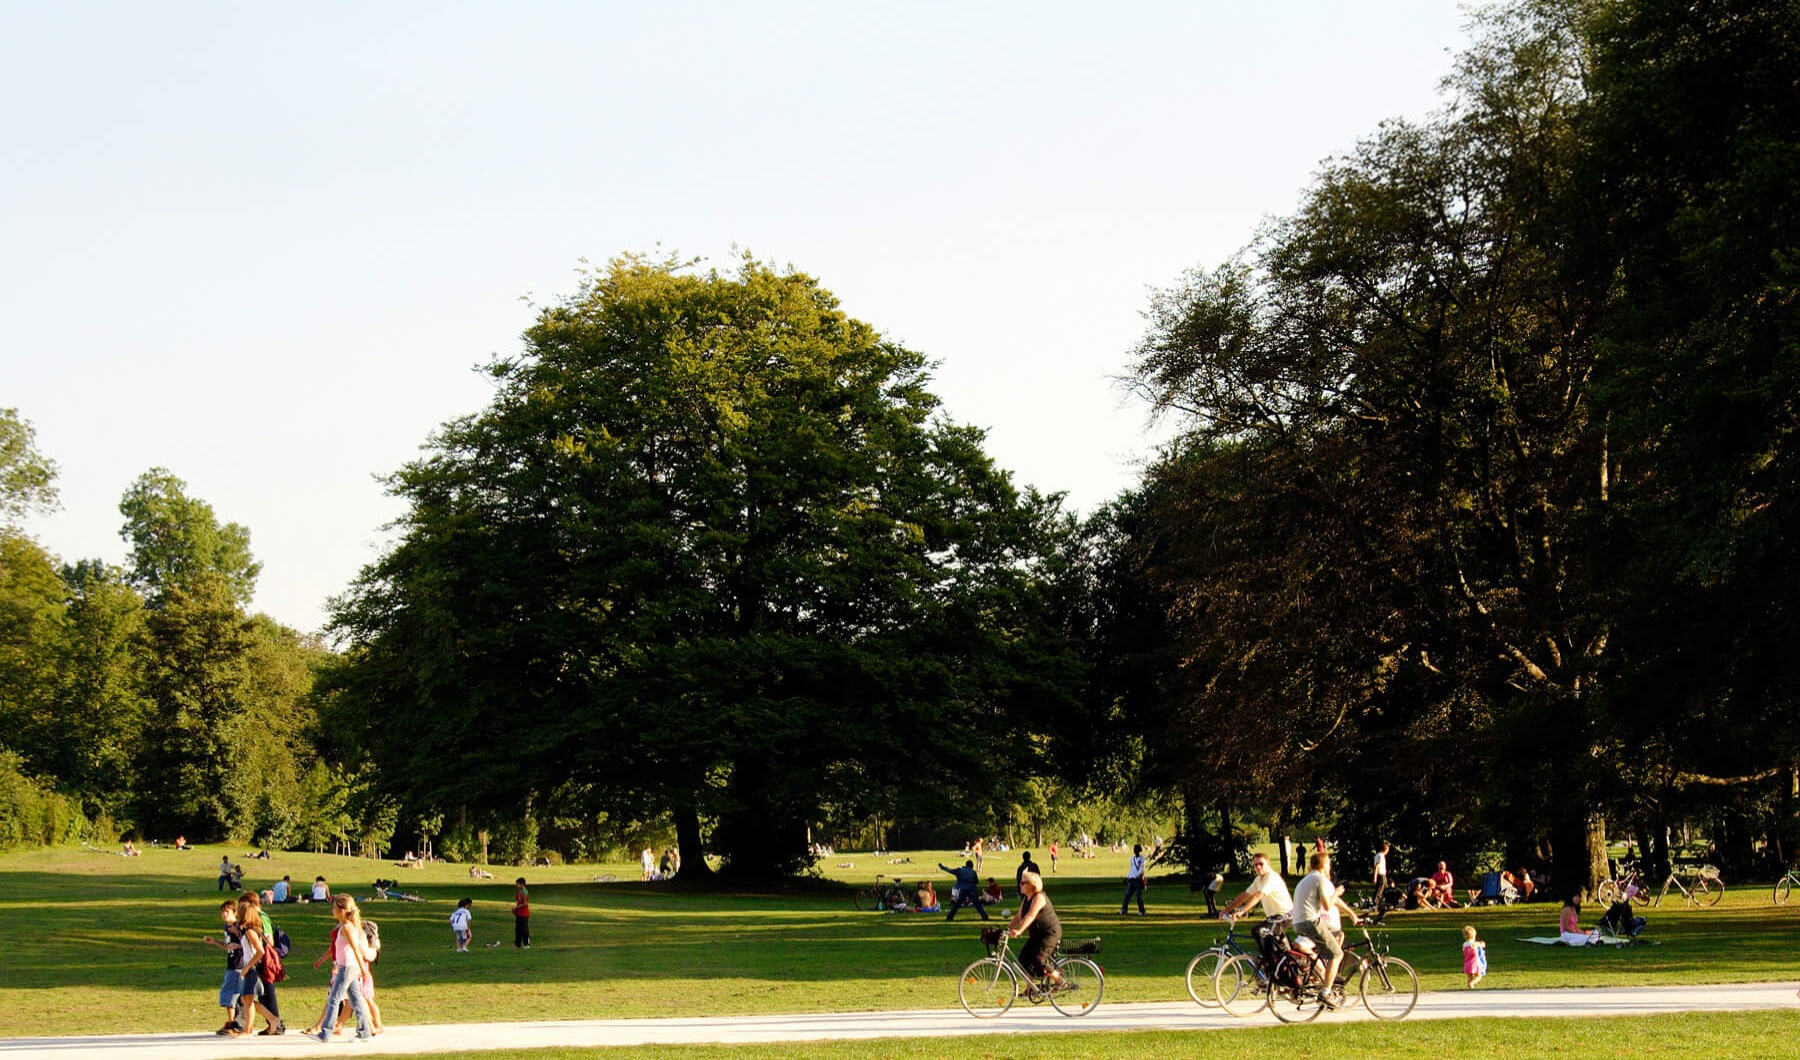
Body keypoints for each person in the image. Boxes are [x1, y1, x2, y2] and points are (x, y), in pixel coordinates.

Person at [1293, 850, 1359, 1007]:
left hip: (1299, 922)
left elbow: (1333, 900)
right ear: (1324, 865)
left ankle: (1325, 969)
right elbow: (1328, 905)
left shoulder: (1307, 879)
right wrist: (1336, 892)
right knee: (1337, 954)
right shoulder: (1320, 879)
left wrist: (1352, 914)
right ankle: (1325, 992)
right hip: (1310, 922)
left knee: (1338, 933)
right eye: (1329, 864)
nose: (1330, 867)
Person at [308, 896, 375, 1041]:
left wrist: (363, 970)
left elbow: (356, 949)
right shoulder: (342, 927)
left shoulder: (347, 928)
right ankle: (364, 1032)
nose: (332, 910)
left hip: (348, 968)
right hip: (347, 967)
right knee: (356, 1000)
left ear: (342, 910)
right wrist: (322, 959)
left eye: (334, 908)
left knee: (334, 999)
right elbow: (334, 948)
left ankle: (325, 1033)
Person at [233, 893, 283, 1035]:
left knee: (247, 999)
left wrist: (247, 967)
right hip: (251, 967)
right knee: (246, 999)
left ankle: (250, 1028)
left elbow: (260, 951)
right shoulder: (251, 930)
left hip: (252, 968)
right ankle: (272, 1019)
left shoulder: (250, 931)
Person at [1008, 870, 1064, 992]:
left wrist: (1019, 931)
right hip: (1037, 935)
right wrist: (1007, 929)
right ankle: (1030, 988)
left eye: (1023, 883)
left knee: (1039, 959)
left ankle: (1059, 980)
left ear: (1032, 885)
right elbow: (1019, 916)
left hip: (1049, 933)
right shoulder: (1027, 899)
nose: (1020, 885)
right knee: (1024, 959)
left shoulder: (1039, 897)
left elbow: (1030, 916)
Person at [202, 899, 247, 1035]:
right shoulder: (227, 928)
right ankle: (234, 1021)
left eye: (227, 911)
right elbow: (228, 946)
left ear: (235, 912)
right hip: (231, 963)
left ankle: (234, 1023)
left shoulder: (239, 927)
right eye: (222, 911)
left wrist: (238, 939)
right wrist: (215, 942)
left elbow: (248, 944)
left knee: (230, 994)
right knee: (232, 994)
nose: (224, 914)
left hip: (238, 964)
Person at [1219, 852, 1294, 922]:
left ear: (1268, 864)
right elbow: (1245, 895)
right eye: (1256, 865)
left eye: (1261, 864)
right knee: (1263, 933)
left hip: (1285, 915)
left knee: (1258, 932)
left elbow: (1258, 896)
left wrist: (1242, 911)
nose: (1258, 867)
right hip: (1273, 917)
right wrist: (1227, 909)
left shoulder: (1271, 877)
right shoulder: (1258, 879)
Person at [1119, 843, 1147, 915]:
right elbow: (1132, 869)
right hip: (1131, 880)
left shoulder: (1142, 859)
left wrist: (1135, 876)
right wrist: (1128, 876)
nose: (1136, 851)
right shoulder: (1132, 859)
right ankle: (1124, 910)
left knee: (1138, 896)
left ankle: (1141, 910)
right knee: (1127, 895)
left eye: (1137, 850)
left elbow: (1141, 869)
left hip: (1138, 880)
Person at [513, 877, 531, 948]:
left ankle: (526, 943)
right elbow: (518, 901)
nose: (516, 886)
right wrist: (515, 910)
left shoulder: (524, 892)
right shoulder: (519, 892)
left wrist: (516, 908)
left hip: (524, 914)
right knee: (518, 929)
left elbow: (525, 903)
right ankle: (517, 944)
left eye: (517, 884)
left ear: (522, 884)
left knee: (524, 929)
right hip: (519, 913)